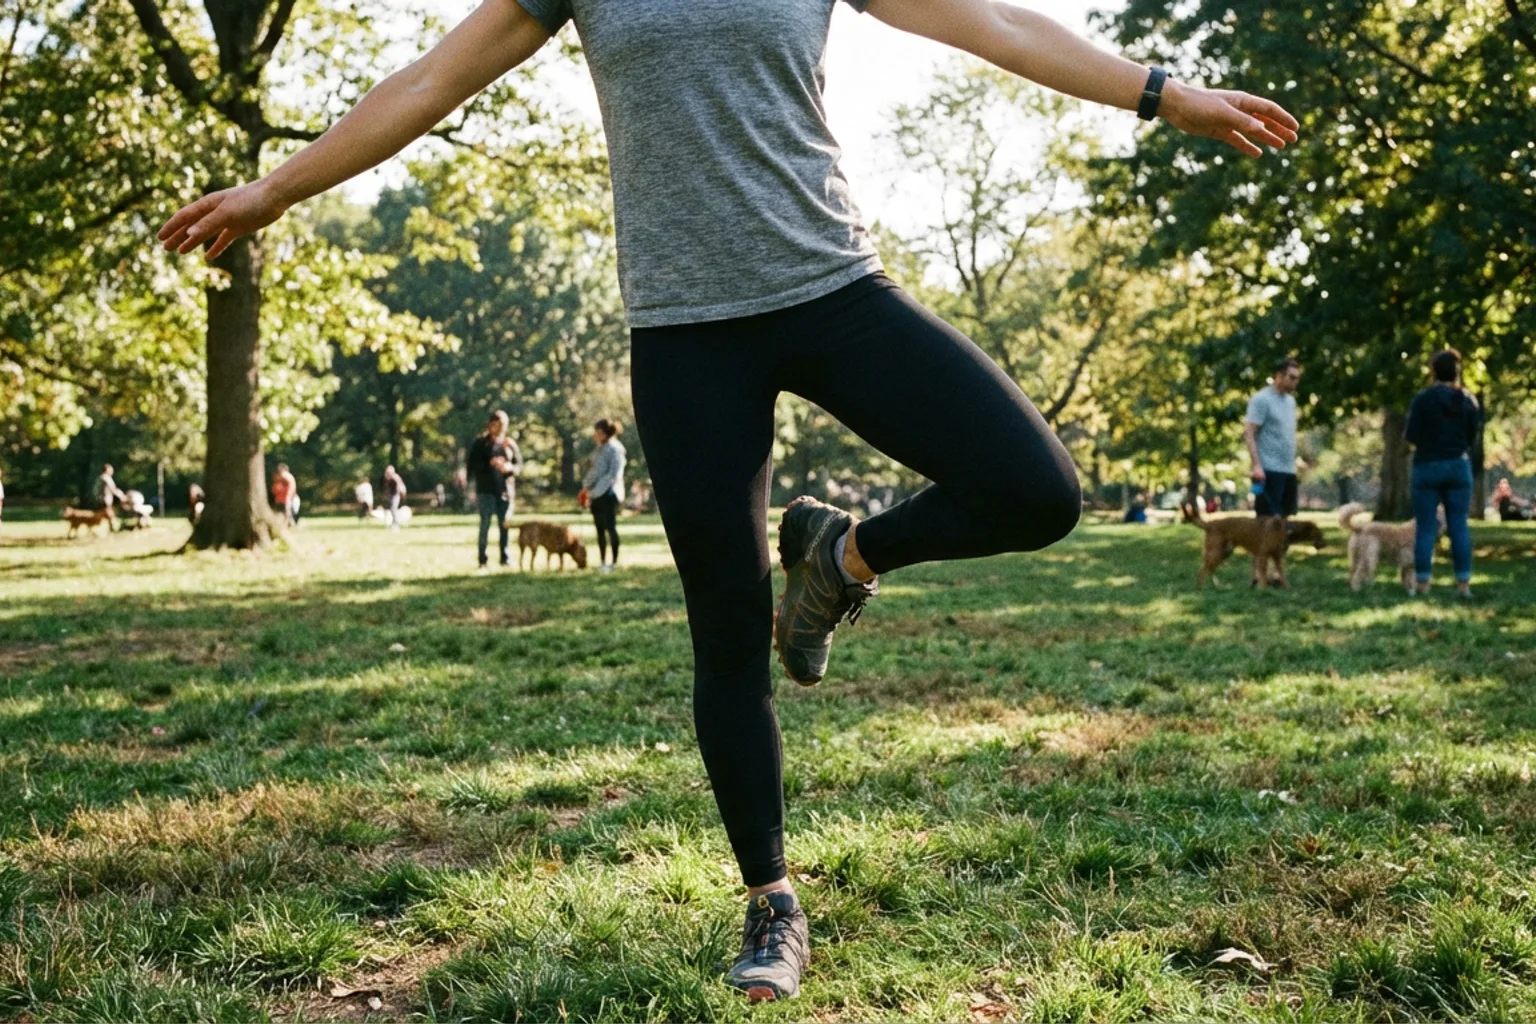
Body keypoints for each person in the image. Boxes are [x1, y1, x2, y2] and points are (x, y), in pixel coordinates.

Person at [154, 0, 1298, 999]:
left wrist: (1164, 93)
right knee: (724, 637)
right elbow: (428, 77)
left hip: (832, 288)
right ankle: (772, 900)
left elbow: (989, 21)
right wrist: (275, 187)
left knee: (1038, 489)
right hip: (686, 339)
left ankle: (844, 556)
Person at [1405, 349, 1483, 598]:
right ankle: (1463, 585)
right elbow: (1473, 436)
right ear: (1457, 372)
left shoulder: (1422, 400)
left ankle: (1423, 584)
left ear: (1433, 372)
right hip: (1458, 466)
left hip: (1427, 465)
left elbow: (1411, 435)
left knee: (1426, 527)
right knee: (1458, 525)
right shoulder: (1469, 402)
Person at [1244, 358, 1303, 518]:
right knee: (1267, 522)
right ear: (1278, 375)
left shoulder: (1291, 401)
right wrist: (1256, 465)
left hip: (1288, 469)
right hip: (1267, 471)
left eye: (1297, 378)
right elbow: (1249, 433)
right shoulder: (1261, 399)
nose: (1295, 382)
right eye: (1292, 377)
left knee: (1286, 521)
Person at [466, 411, 521, 569]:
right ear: (490, 425)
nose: (500, 429)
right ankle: (482, 560)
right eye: (497, 425)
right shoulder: (480, 444)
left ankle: (505, 558)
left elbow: (519, 465)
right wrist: (490, 463)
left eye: (503, 426)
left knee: (504, 526)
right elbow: (472, 466)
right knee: (485, 525)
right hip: (485, 491)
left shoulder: (509, 444)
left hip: (505, 491)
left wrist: (509, 468)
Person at [579, 418, 627, 573]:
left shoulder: (615, 449)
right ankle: (602, 562)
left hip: (609, 493)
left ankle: (614, 562)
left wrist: (597, 490)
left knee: (610, 527)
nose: (596, 435)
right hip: (596, 494)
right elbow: (593, 471)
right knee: (599, 528)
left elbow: (613, 474)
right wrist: (586, 488)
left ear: (607, 433)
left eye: (599, 432)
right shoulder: (599, 449)